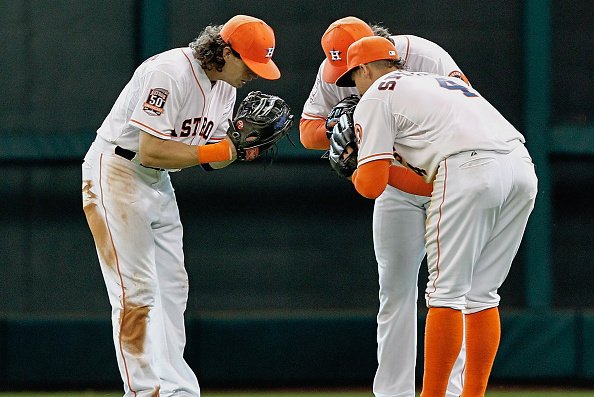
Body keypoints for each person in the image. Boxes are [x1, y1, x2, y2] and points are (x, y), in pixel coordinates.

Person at [81, 15, 281, 397]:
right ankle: (142, 391)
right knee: (134, 292)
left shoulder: (225, 88)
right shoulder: (169, 71)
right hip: (116, 172)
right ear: (224, 51)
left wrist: (238, 149)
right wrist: (223, 149)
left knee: (173, 289)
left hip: (155, 180)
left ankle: (176, 389)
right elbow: (153, 149)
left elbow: (208, 160)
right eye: (249, 64)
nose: (254, 75)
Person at [334, 36, 538, 397]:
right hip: (521, 167)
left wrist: (350, 166)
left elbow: (371, 186)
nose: (355, 89)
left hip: (468, 167)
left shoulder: (378, 93)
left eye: (354, 78)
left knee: (444, 294)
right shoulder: (436, 80)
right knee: (483, 295)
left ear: (365, 68)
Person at [300, 16, 466, 397]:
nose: (346, 80)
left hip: (448, 182)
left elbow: (466, 109)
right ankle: (393, 392)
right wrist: (335, 130)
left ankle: (454, 392)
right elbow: (309, 130)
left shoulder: (424, 55)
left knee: (454, 292)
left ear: (373, 56)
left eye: (353, 70)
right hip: (394, 182)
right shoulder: (334, 73)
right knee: (395, 291)